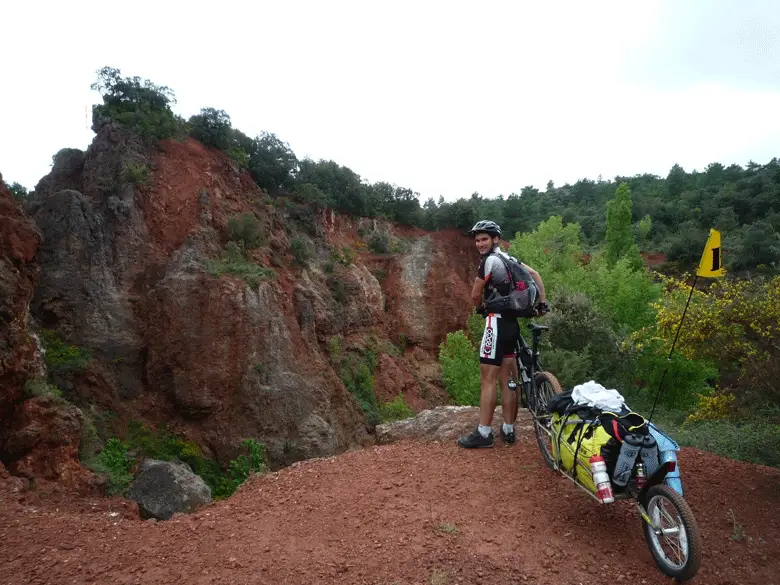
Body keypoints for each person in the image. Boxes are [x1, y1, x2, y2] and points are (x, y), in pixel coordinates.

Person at [457, 220, 548, 448]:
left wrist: (478, 308)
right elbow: (535, 274)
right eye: (477, 240)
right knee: (508, 379)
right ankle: (508, 430)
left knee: (488, 379)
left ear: (495, 238)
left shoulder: (488, 262)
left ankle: (484, 433)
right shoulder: (510, 259)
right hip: (512, 327)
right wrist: (543, 304)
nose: (480, 244)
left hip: (495, 323)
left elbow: (475, 294)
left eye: (484, 239)